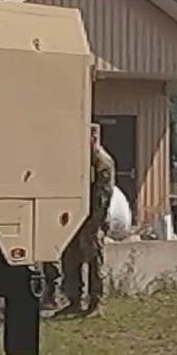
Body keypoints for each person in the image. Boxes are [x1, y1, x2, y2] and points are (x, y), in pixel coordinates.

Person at [59, 123, 118, 316]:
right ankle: (74, 300)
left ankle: (96, 302)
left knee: (95, 261)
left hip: (94, 220)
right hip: (77, 218)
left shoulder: (102, 162)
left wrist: (94, 224)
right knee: (71, 259)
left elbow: (103, 196)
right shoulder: (80, 161)